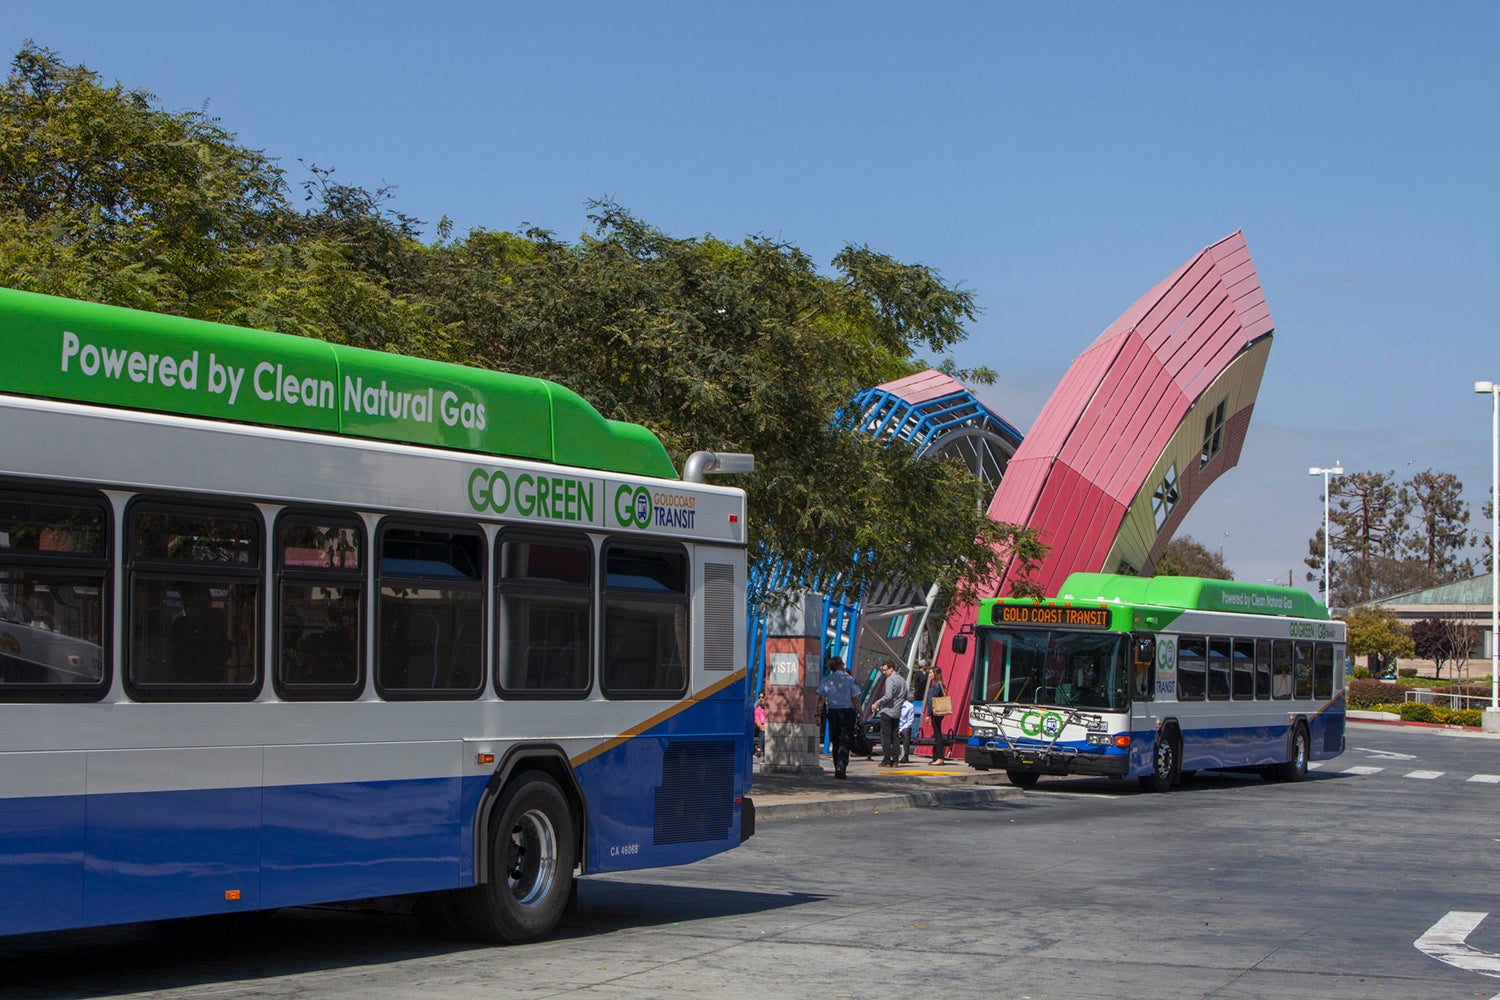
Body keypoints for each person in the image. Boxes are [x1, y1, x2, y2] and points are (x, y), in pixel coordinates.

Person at [815, 656, 862, 779]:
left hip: (833, 712)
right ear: (840, 665)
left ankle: (837, 766)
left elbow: (821, 698)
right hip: (847, 711)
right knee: (845, 740)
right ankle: (842, 766)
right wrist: (861, 713)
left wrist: (817, 714)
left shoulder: (827, 680)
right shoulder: (849, 679)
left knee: (835, 740)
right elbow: (855, 698)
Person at [870, 660, 909, 767]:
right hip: (897, 712)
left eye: (885, 670)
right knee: (895, 736)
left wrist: (877, 703)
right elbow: (905, 695)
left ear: (891, 669)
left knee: (886, 736)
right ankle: (895, 759)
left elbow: (888, 696)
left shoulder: (890, 680)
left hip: (887, 711)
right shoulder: (902, 680)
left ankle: (886, 759)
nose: (884, 672)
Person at [926, 665, 951, 763]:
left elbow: (933, 700)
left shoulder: (937, 685)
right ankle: (938, 757)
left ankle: (940, 757)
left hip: (936, 712)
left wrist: (929, 714)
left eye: (931, 673)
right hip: (937, 713)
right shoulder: (939, 684)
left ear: (935, 674)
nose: (929, 675)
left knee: (938, 735)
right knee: (937, 734)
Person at [753, 691, 768, 758]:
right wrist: (765, 727)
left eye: (762, 697)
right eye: (759, 697)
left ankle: (760, 750)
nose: (760, 699)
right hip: (758, 729)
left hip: (767, 727)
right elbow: (759, 724)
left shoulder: (770, 710)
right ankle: (759, 750)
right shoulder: (757, 710)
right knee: (763, 732)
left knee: (764, 732)